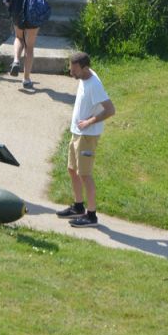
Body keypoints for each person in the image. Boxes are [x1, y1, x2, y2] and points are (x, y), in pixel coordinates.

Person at [56, 51, 114, 227]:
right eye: (70, 68)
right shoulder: (84, 76)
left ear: (85, 68)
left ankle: (91, 215)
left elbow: (110, 110)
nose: (71, 73)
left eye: (74, 70)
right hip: (77, 133)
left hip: (87, 136)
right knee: (72, 169)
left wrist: (89, 122)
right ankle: (78, 206)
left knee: (85, 174)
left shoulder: (94, 85)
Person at [2, 0, 47, 90]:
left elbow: (6, 1)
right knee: (30, 47)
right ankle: (26, 79)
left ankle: (16, 60)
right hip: (33, 15)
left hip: (17, 14)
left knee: (18, 37)